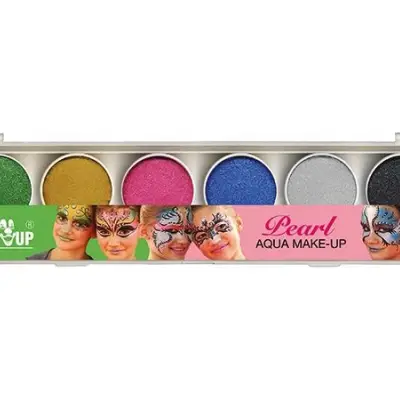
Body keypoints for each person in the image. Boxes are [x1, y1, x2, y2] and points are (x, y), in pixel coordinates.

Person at [27, 205, 95, 260]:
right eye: (61, 218)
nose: (65, 230)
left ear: (94, 231)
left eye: (79, 224)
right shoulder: (29, 265)